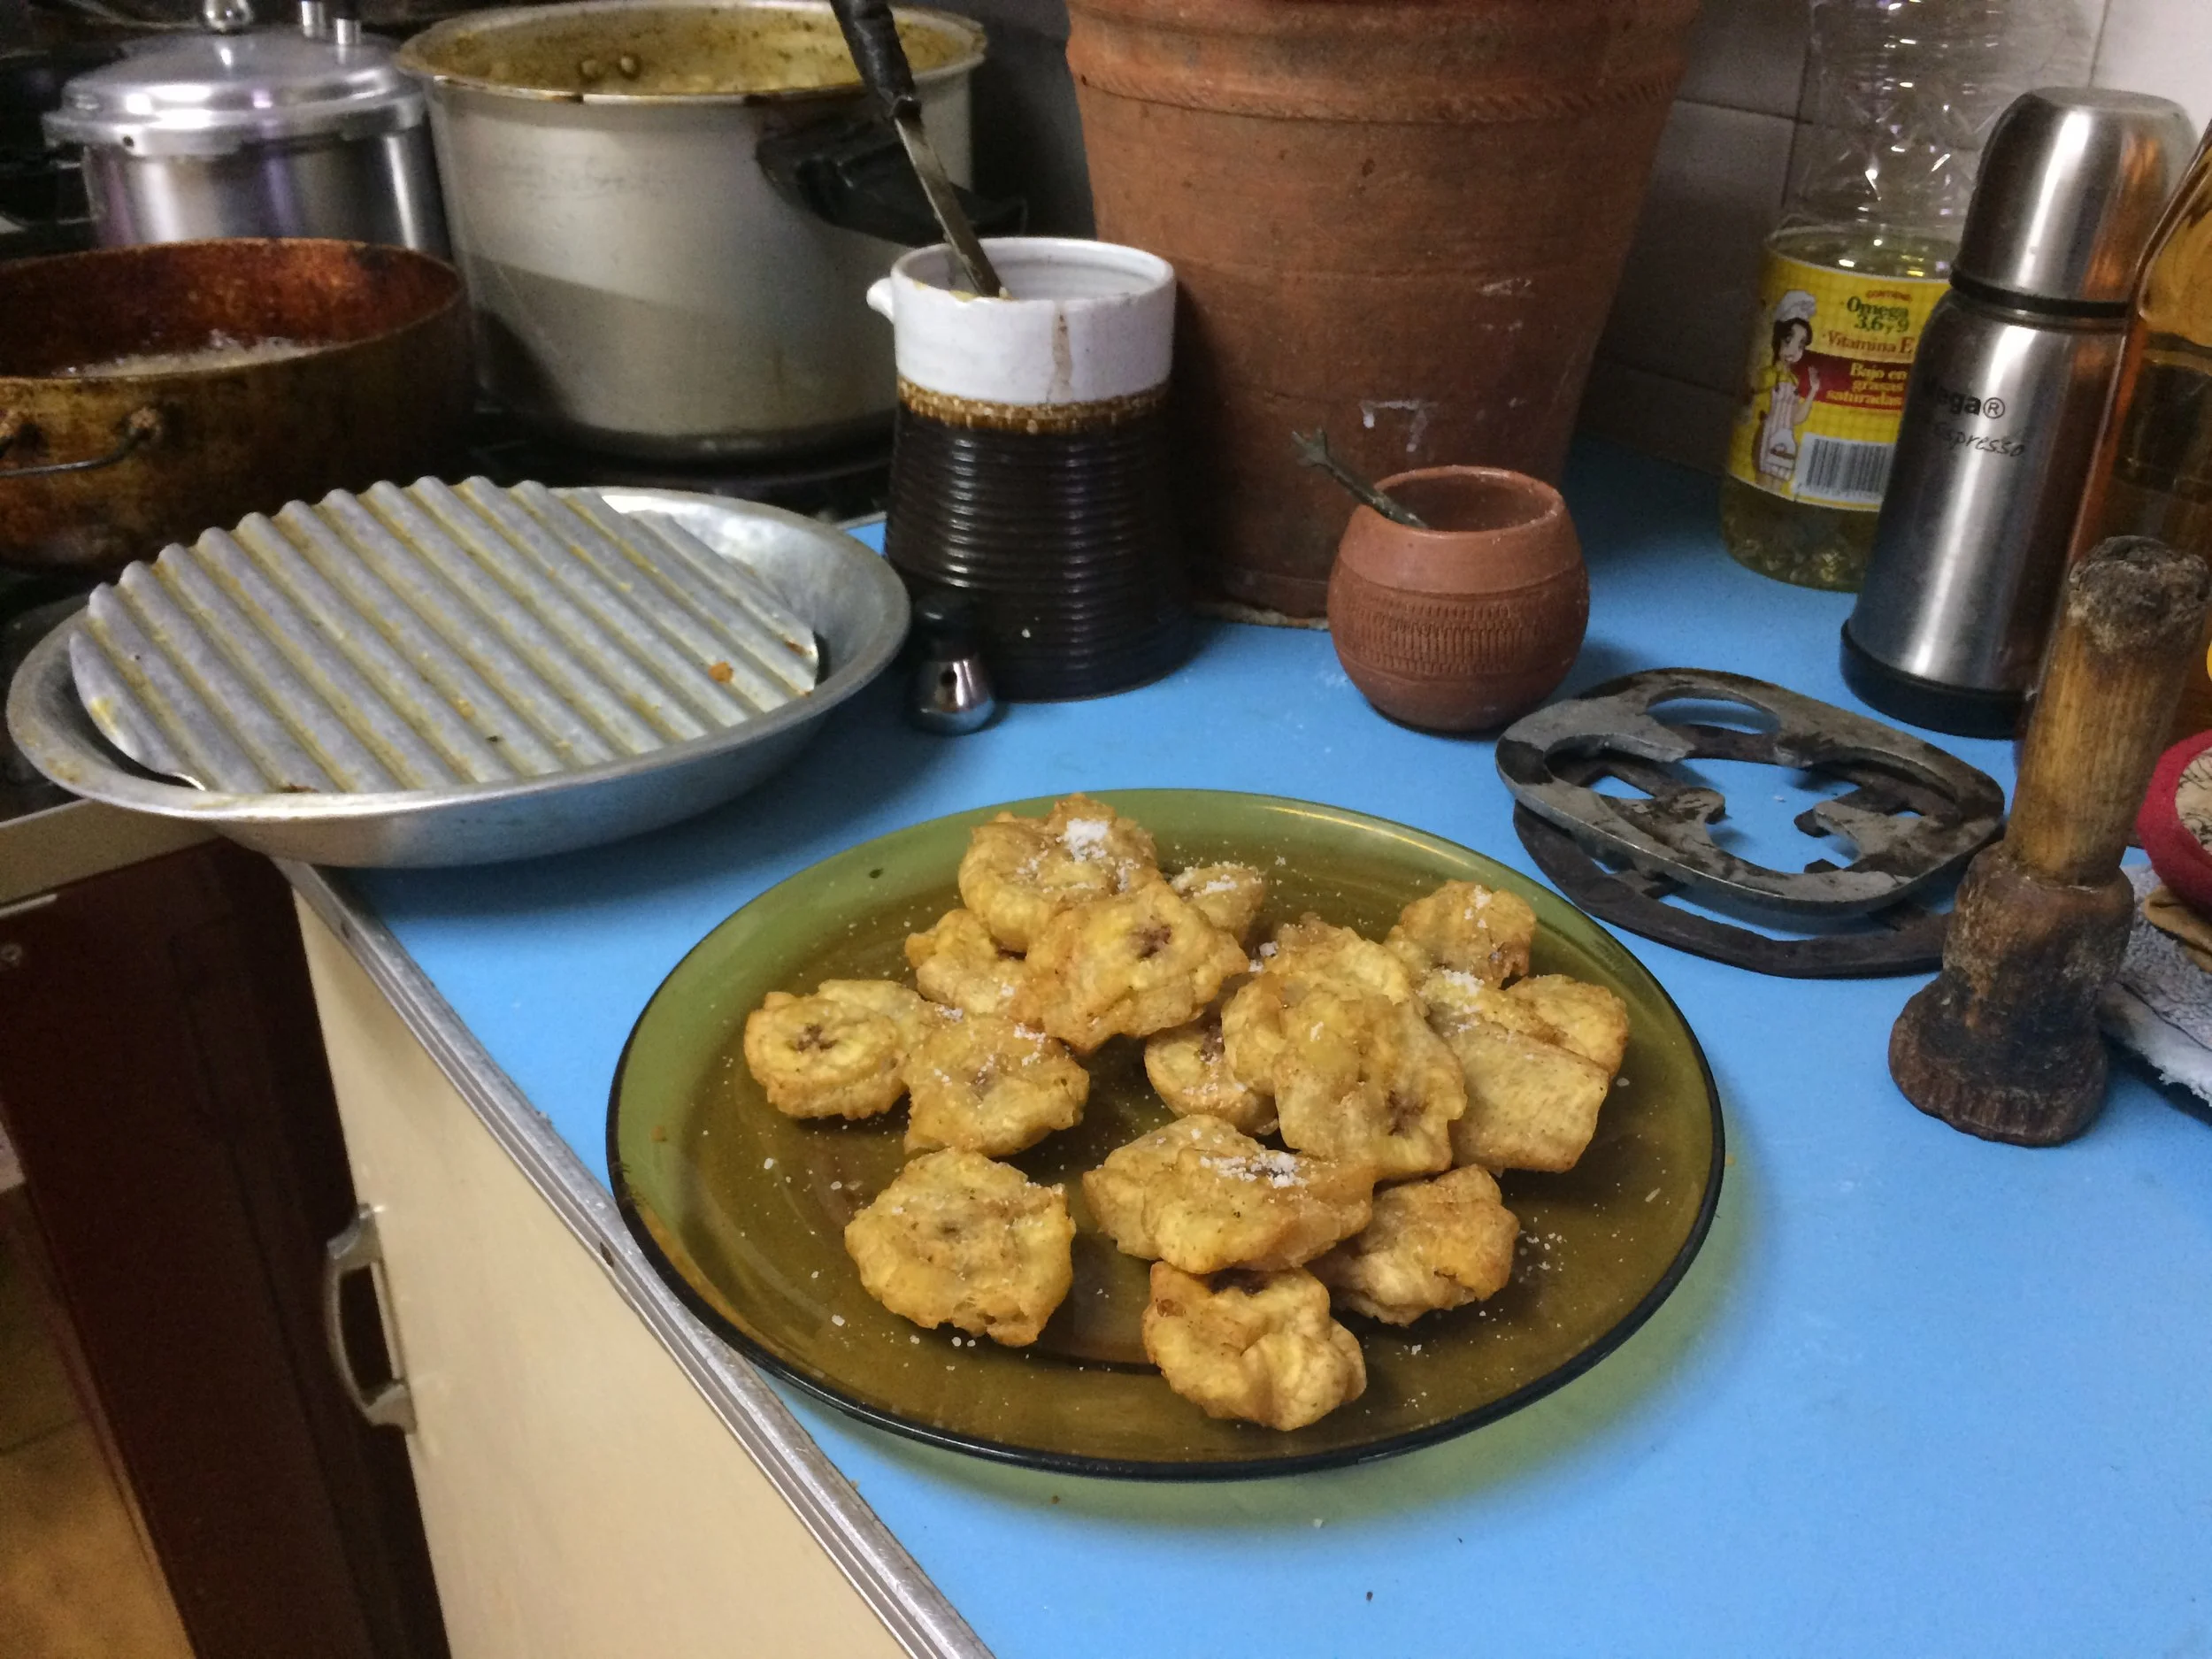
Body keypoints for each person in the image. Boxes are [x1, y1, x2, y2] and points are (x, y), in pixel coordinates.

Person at [1753, 290, 1822, 490]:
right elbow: (1752, 396)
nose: (1794, 351)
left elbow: (1796, 418)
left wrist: (1813, 390)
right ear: (1778, 340)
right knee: (1763, 482)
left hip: (1787, 439)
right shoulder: (1767, 375)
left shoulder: (1794, 381)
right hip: (1768, 434)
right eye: (1789, 341)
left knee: (1780, 482)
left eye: (1800, 345)